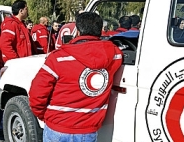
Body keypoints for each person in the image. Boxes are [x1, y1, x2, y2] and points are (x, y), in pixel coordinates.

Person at [29, 12, 123, 142]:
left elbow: (37, 94)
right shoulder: (114, 55)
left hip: (57, 127)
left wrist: (44, 116)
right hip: (88, 130)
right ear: (101, 31)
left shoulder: (58, 58)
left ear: (77, 31)